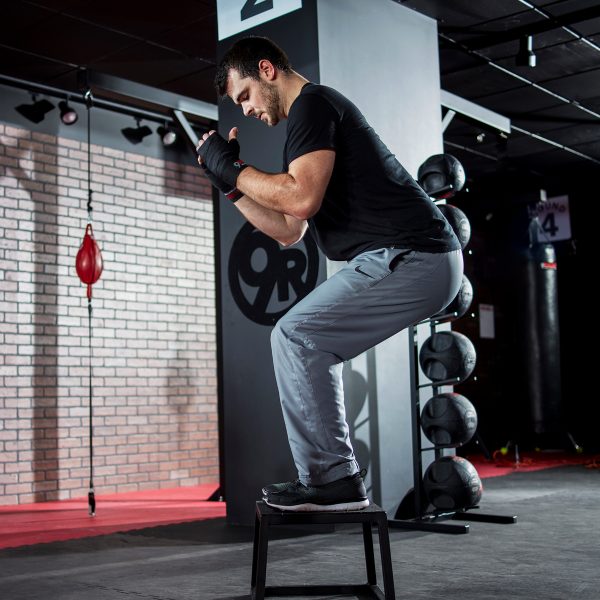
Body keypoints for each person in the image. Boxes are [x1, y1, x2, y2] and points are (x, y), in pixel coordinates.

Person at [197, 36, 463, 512]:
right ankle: (332, 477)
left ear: (267, 70)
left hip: (415, 255)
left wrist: (233, 168)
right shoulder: (305, 124)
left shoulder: (313, 104)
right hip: (405, 259)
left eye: (245, 96)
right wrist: (230, 185)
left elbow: (300, 198)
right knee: (302, 340)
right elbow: (288, 230)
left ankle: (333, 479)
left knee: (295, 336)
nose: (247, 111)